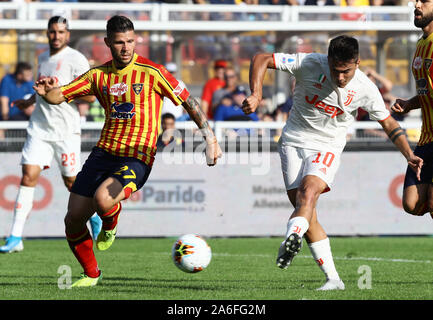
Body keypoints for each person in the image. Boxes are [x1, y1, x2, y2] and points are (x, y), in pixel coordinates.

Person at [33, 15, 222, 287]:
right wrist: (46, 92)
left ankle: (110, 224)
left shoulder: (152, 72)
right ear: (108, 42)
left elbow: (187, 99)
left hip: (138, 154)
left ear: (136, 41)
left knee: (104, 199)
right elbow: (59, 95)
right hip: (103, 153)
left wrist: (210, 137)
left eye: (131, 41)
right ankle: (91, 275)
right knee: (73, 220)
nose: (126, 48)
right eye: (120, 42)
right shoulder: (99, 75)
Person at [242, 35, 423, 291]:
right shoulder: (309, 63)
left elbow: (389, 124)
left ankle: (290, 237)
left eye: (346, 72)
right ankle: (334, 279)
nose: (340, 78)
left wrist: (409, 154)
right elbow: (261, 59)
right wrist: (257, 94)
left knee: (308, 193)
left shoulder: (365, 88)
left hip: (327, 146)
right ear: (327, 61)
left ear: (358, 63)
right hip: (292, 141)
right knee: (306, 213)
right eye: (336, 71)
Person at [0, 16, 102, 254]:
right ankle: (15, 236)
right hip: (40, 128)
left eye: (61, 32)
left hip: (66, 131)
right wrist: (29, 100)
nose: (56, 36)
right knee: (28, 175)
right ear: (47, 33)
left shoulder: (76, 59)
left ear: (68, 34)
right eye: (52, 31)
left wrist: (59, 92)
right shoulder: (43, 57)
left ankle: (94, 215)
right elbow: (42, 90)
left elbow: (89, 96)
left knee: (72, 183)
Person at [391, 0, 433, 218]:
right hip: (427, 138)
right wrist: (410, 104)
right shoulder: (420, 45)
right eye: (415, 0)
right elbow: (427, 92)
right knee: (411, 204)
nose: (417, 5)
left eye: (424, 1)